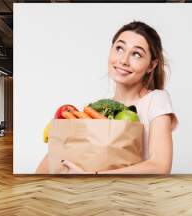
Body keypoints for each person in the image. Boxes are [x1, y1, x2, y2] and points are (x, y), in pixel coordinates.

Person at [36, 21, 178, 174]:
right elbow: (47, 166)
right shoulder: (99, 110)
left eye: (136, 54)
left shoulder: (156, 100)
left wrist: (93, 177)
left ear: (151, 65)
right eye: (119, 48)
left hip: (132, 195)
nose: (123, 60)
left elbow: (160, 166)